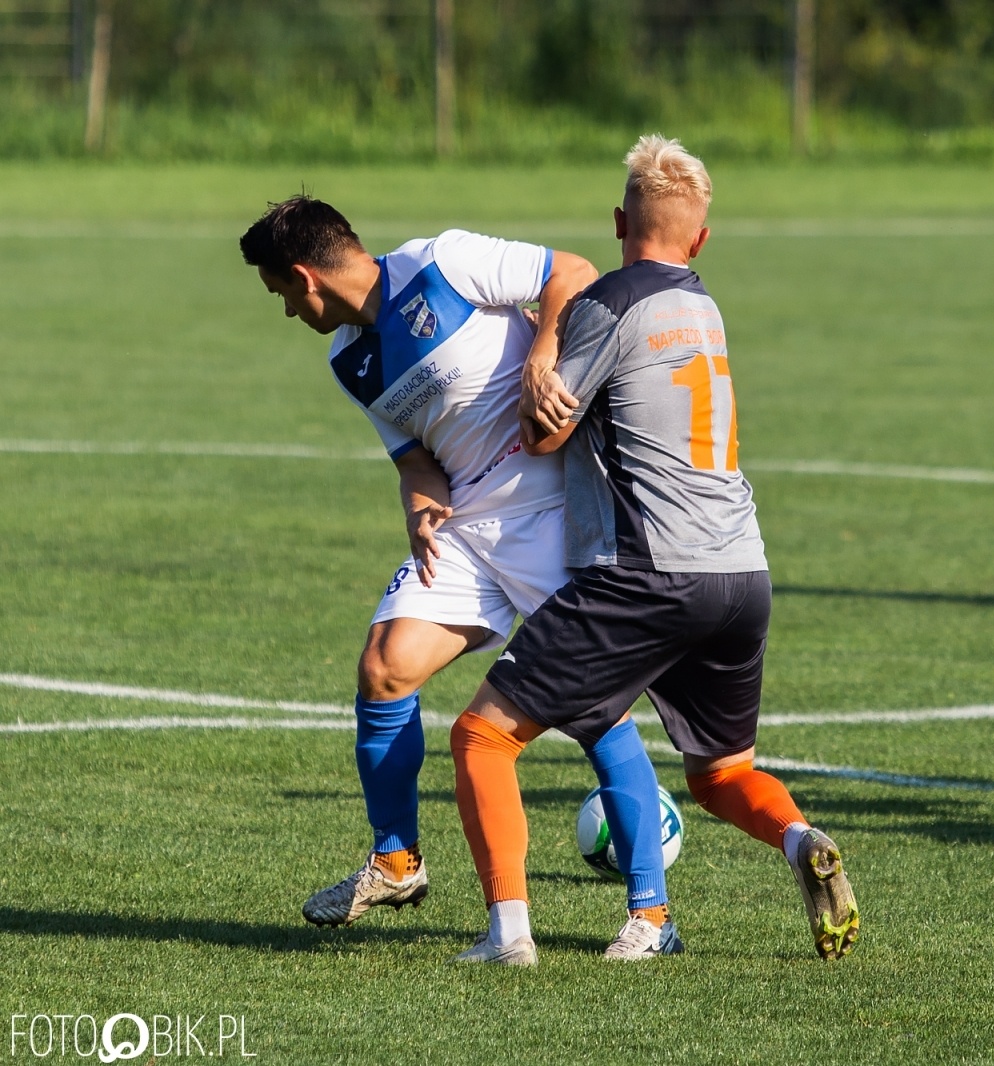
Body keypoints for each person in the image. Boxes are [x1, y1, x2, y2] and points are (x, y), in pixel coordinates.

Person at [445, 134, 859, 966]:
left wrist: (536, 364)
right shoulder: (703, 305)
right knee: (718, 774)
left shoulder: (607, 302)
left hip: (647, 574)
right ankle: (797, 838)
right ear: (699, 240)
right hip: (743, 573)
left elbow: (544, 431)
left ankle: (509, 936)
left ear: (617, 221)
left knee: (481, 738)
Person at [238, 198, 679, 940]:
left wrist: (542, 352)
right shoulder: (350, 359)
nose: (287, 313)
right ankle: (398, 860)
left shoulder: (441, 263)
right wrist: (418, 504)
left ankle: (651, 914)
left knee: (595, 710)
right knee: (384, 667)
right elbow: (415, 459)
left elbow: (572, 273)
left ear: (307, 277)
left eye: (281, 294)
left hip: (549, 516)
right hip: (467, 533)